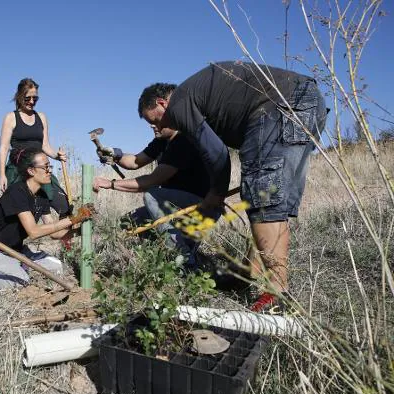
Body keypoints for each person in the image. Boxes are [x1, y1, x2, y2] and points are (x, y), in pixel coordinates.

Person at [137, 61, 327, 312]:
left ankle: (275, 294)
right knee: (272, 198)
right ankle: (249, 274)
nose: (158, 128)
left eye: (157, 121)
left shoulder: (180, 102)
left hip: (279, 107)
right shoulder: (199, 97)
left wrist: (214, 195)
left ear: (162, 103)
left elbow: (218, 154)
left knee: (264, 201)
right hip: (309, 104)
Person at [0, 148, 93, 292]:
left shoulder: (42, 196)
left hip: (15, 251)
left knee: (56, 266)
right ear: (31, 171)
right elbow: (33, 232)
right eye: (45, 167)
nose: (49, 171)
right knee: (20, 281)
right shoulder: (16, 192)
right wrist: (74, 218)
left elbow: (54, 233)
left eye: (49, 166)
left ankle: (15, 268)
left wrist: (78, 231)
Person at [92, 126, 218, 269]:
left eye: (156, 121)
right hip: (173, 206)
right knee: (130, 222)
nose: (152, 125)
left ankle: (186, 260)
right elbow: (135, 161)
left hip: (200, 206)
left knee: (152, 195)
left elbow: (151, 182)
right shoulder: (161, 140)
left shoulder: (183, 141)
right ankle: (165, 257)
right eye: (150, 122)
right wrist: (115, 154)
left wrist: (111, 184)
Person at [0, 78, 71, 218]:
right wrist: (2, 175)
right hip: (18, 169)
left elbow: (45, 145)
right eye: (27, 98)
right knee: (18, 213)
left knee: (64, 205)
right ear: (19, 96)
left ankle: (66, 238)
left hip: (40, 168)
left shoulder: (41, 117)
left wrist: (57, 156)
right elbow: (4, 148)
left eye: (35, 98)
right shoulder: (11, 118)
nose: (32, 101)